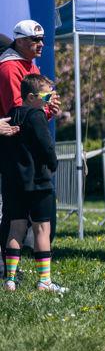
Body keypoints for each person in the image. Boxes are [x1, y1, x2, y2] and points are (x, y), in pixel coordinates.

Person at [0, 20, 61, 260]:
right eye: (35, 40)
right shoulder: (9, 67)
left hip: (26, 150)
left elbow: (36, 109)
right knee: (14, 217)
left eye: (42, 39)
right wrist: (45, 109)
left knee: (27, 219)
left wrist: (49, 109)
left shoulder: (29, 65)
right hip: (14, 150)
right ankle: (8, 269)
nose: (41, 44)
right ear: (20, 41)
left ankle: (15, 268)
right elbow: (19, 113)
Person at [2, 74, 65, 293]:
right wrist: (53, 163)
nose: (49, 100)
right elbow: (46, 145)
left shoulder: (10, 116)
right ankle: (44, 281)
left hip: (14, 182)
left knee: (15, 228)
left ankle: (10, 279)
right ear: (31, 97)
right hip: (38, 182)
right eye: (46, 96)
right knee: (42, 229)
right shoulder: (36, 115)